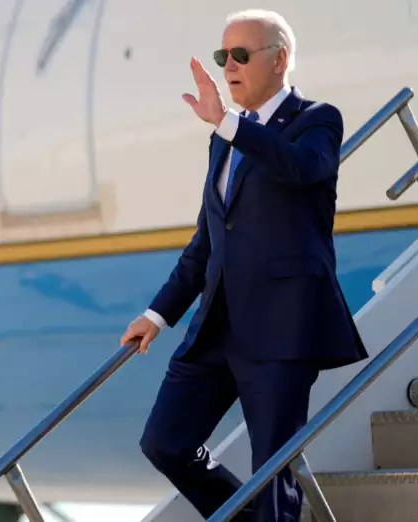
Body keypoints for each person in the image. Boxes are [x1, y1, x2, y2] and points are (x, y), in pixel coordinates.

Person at [120, 9, 369, 522]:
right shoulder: (224, 139)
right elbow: (207, 241)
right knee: (165, 441)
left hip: (282, 328)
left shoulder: (317, 119)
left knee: (273, 473)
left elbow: (302, 167)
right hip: (218, 326)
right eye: (223, 56)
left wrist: (227, 123)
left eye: (240, 54)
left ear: (279, 60)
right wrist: (158, 314)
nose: (228, 66)